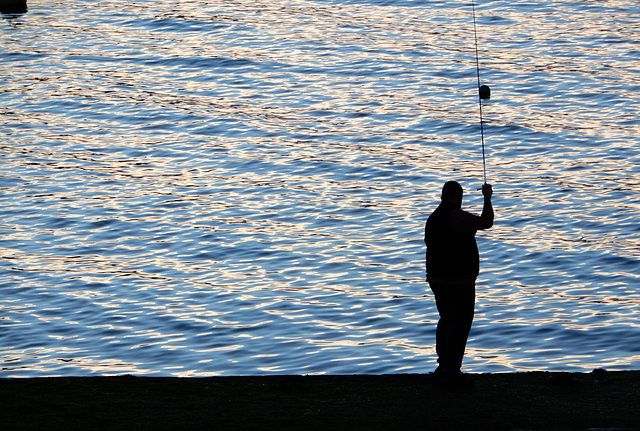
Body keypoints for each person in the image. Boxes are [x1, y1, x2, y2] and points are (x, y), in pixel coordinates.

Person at [424, 180, 493, 382]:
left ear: (442, 196)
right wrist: (487, 198)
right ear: (459, 197)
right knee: (460, 323)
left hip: (437, 279)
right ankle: (451, 369)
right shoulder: (456, 216)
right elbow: (486, 222)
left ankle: (443, 364)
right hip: (457, 280)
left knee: (446, 320)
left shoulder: (433, 218)